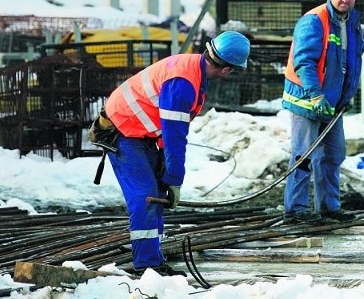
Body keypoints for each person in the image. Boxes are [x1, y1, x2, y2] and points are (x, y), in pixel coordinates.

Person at [92, 30, 251, 275]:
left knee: (156, 193)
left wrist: (168, 173)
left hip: (137, 132)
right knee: (146, 197)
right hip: (122, 131)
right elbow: (174, 135)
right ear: (227, 69)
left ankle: (152, 258)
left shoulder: (193, 70)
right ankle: (146, 267)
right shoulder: (184, 83)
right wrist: (175, 179)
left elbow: (170, 131)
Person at [282, 0, 364, 224]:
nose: (346, 0)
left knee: (332, 155)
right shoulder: (315, 20)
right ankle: (295, 211)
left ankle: (328, 207)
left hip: (332, 104)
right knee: (302, 156)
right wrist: (316, 96)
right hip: (308, 102)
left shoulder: (352, 22)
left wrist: (346, 94)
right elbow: (304, 62)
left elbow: (351, 61)